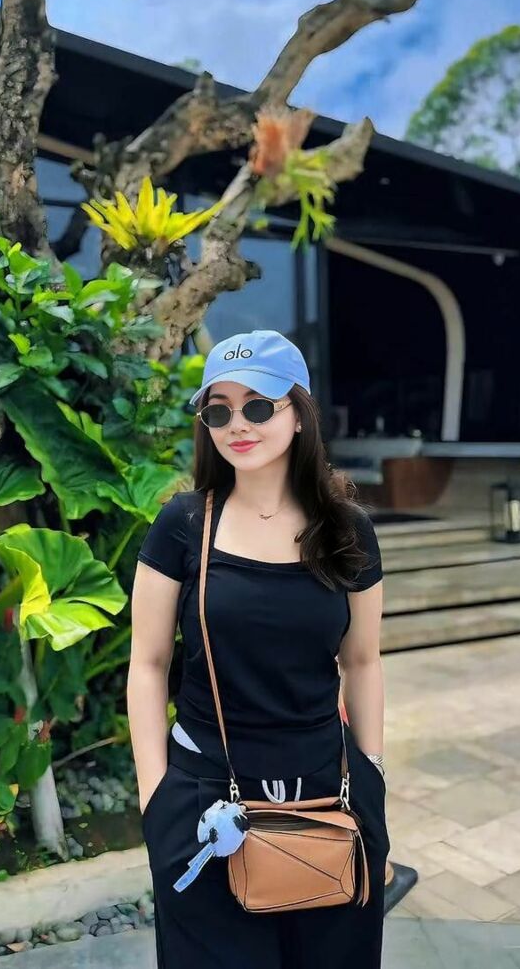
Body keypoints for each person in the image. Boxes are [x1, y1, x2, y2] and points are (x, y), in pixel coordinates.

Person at [128, 329, 390, 968]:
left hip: (329, 794)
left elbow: (362, 661)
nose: (237, 424)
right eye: (218, 411)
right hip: (206, 803)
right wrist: (155, 798)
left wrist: (374, 776)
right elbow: (148, 664)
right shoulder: (184, 525)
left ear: (299, 415)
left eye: (258, 405)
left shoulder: (348, 530)